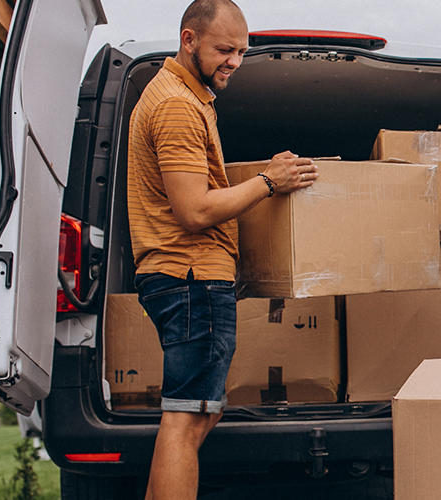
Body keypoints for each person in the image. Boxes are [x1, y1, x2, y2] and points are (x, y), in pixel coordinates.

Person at [126, 1, 317, 498]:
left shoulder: (186, 97)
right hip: (190, 278)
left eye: (241, 51)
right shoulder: (176, 104)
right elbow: (193, 211)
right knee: (187, 424)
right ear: (189, 39)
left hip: (183, 278)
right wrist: (268, 181)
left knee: (192, 419)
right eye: (224, 49)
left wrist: (262, 176)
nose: (234, 60)